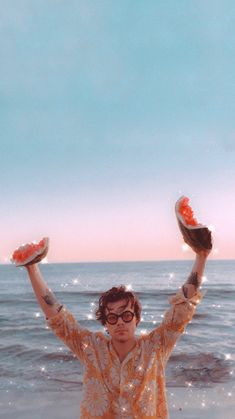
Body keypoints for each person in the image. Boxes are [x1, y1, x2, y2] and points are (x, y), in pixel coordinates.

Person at [11, 201, 212, 419]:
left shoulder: (156, 348)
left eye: (126, 315)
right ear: (106, 323)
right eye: (112, 317)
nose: (120, 322)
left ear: (136, 319)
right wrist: (32, 268)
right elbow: (58, 318)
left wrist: (201, 256)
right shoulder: (91, 349)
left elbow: (182, 310)